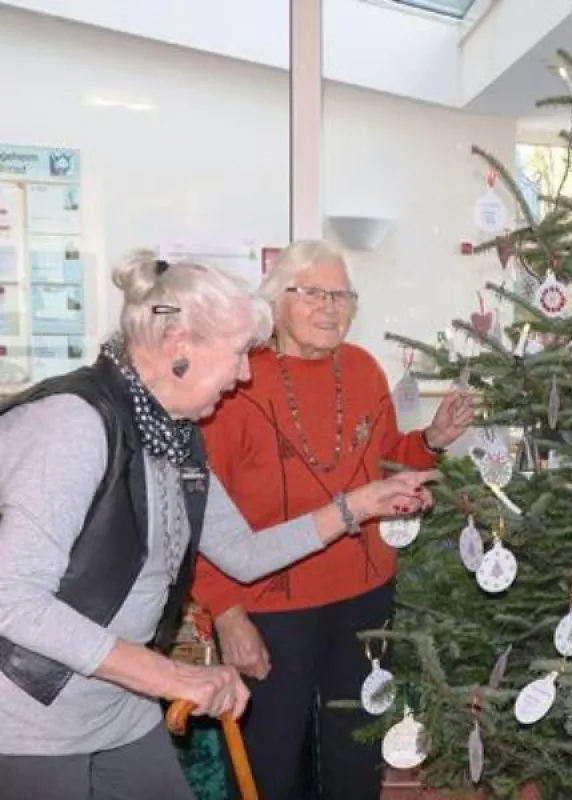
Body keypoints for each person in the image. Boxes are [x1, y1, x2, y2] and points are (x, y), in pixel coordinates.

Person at [0, 251, 433, 799]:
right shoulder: (72, 425)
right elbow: (12, 600)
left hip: (118, 707)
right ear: (180, 349)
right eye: (237, 355)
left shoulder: (173, 432)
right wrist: (171, 677)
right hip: (31, 720)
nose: (245, 374)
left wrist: (359, 506)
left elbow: (241, 552)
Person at [190, 239, 474, 800]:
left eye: (342, 295)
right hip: (270, 605)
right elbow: (198, 510)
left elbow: (387, 458)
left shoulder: (365, 369)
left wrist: (433, 441)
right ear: (276, 300)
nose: (330, 307)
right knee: (271, 762)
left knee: (358, 751)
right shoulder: (235, 381)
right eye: (313, 293)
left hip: (366, 598)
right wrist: (225, 613)